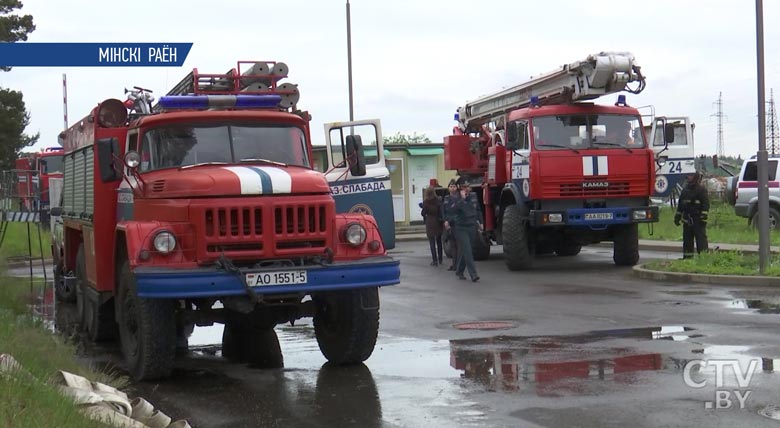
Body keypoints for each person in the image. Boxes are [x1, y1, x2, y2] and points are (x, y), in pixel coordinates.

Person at [674, 171, 709, 258]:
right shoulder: (685, 190)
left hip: (698, 220)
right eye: (688, 175)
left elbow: (706, 204)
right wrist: (678, 216)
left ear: (695, 177)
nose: (688, 177)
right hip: (687, 220)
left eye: (690, 175)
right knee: (687, 241)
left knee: (701, 240)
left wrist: (703, 215)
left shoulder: (701, 190)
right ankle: (687, 259)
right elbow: (681, 204)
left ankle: (704, 259)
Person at [451, 177, 480, 282]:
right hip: (461, 227)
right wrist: (462, 199)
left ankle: (459, 270)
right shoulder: (455, 197)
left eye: (468, 186)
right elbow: (453, 209)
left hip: (472, 226)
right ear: (459, 188)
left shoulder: (473, 196)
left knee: (466, 250)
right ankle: (474, 274)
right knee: (467, 250)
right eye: (464, 187)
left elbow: (478, 209)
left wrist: (480, 222)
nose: (467, 189)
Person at [422, 187, 444, 266]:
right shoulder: (438, 200)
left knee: (432, 242)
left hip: (430, 222)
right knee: (439, 242)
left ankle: (435, 260)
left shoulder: (426, 202)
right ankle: (440, 259)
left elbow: (423, 213)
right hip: (437, 222)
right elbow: (441, 211)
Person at [442, 179, 459, 271]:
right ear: (448, 188)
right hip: (449, 225)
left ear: (456, 188)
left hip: (456, 224)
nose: (452, 188)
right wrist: (445, 221)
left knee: (458, 246)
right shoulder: (446, 199)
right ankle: (454, 264)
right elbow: (443, 210)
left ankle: (458, 265)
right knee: (452, 246)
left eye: (454, 186)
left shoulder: (458, 198)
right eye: (451, 187)